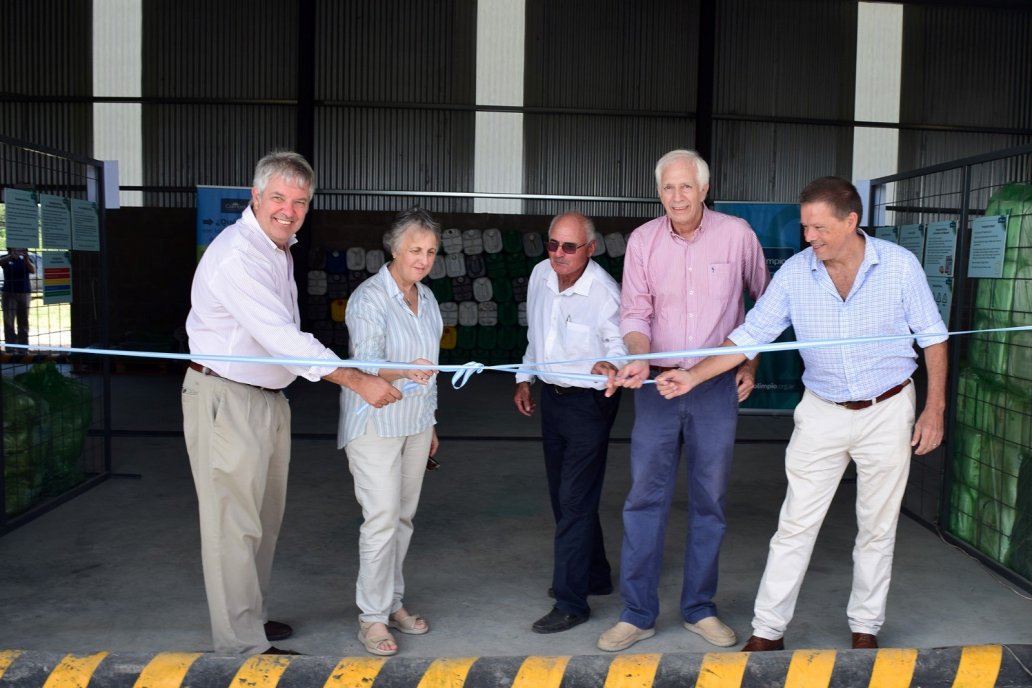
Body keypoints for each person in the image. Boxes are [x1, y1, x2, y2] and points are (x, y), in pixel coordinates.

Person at [654, 176, 947, 651]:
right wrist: (693, 376)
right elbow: (751, 334)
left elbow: (933, 337)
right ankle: (767, 631)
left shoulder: (899, 267)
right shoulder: (796, 272)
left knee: (877, 526)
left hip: (888, 408)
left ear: (851, 222)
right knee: (795, 525)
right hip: (822, 412)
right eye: (805, 227)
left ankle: (865, 628)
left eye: (819, 228)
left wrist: (933, 410)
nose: (809, 237)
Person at [182, 151, 402, 656]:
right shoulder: (239, 254)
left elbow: (283, 341)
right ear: (255, 197)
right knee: (232, 525)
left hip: (266, 398)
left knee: (261, 518)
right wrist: (356, 379)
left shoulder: (276, 248)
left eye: (299, 201)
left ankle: (250, 619)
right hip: (226, 397)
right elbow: (283, 337)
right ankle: (240, 645)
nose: (288, 209)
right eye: (278, 198)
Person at [598, 149, 770, 652]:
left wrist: (750, 362)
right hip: (657, 386)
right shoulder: (643, 241)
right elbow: (635, 312)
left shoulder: (737, 234)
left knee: (709, 502)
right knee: (644, 498)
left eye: (686, 187)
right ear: (660, 192)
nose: (677, 196)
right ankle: (637, 613)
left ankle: (699, 608)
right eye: (669, 188)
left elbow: (766, 302)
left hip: (714, 387)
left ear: (703, 190)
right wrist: (636, 358)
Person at [513, 211, 626, 634]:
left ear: (590, 249)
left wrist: (610, 362)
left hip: (590, 404)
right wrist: (525, 379)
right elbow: (535, 335)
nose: (558, 254)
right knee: (564, 498)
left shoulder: (605, 293)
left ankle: (571, 601)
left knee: (575, 500)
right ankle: (594, 573)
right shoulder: (540, 275)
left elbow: (622, 346)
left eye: (569, 247)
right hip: (552, 397)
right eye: (553, 244)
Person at [337, 207, 443, 656]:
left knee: (402, 517)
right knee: (380, 519)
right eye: (415, 250)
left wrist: (433, 421)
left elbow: (433, 370)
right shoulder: (370, 298)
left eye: (431, 252)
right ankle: (372, 618)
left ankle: (392, 602)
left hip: (415, 424)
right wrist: (404, 370)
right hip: (374, 423)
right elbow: (365, 364)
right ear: (394, 249)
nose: (422, 259)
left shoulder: (428, 299)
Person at [1, 247, 36, 350]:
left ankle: (23, 348)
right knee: (8, 321)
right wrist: (11, 256)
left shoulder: (28, 258)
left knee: (23, 321)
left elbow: (33, 270)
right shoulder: (5, 258)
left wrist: (26, 260)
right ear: (11, 248)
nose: (19, 249)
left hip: (24, 293)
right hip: (8, 293)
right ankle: (11, 348)